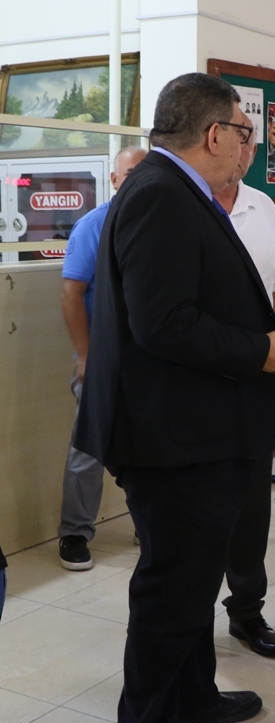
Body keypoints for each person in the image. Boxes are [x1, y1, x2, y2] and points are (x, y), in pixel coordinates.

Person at [75, 73, 275, 723]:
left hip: (194, 430)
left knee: (194, 580)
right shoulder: (160, 195)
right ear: (214, 134)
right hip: (173, 438)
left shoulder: (176, 190)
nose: (248, 146)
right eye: (244, 133)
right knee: (172, 587)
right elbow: (162, 323)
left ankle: (192, 695)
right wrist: (258, 351)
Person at [215, 129, 275, 658]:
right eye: (237, 140)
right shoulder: (184, 204)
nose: (245, 152)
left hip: (257, 376)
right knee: (200, 507)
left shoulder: (262, 206)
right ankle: (185, 620)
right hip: (200, 377)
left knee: (251, 504)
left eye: (251, 143)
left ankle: (247, 611)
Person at [57, 145, 146, 570]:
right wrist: (85, 355)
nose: (137, 182)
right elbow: (71, 293)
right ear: (113, 179)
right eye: (129, 174)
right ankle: (75, 533)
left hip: (147, 363)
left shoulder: (158, 224)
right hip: (101, 361)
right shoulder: (94, 225)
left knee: (147, 447)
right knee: (87, 450)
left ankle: (147, 523)